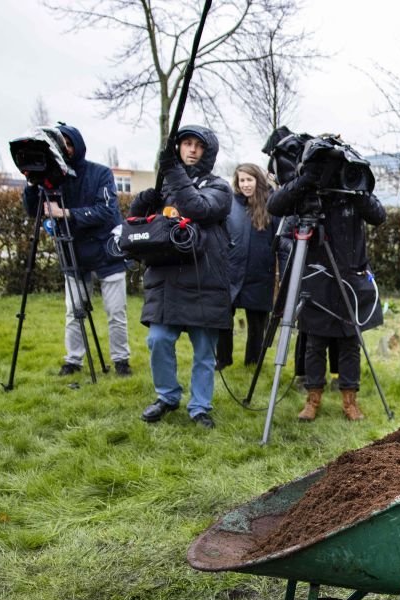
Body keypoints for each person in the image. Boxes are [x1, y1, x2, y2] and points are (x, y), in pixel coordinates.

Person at [267, 141, 386, 421]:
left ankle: (350, 402)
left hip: (349, 277)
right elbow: (276, 205)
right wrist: (306, 178)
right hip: (316, 276)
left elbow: (378, 215)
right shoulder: (309, 190)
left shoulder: (352, 189)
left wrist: (357, 189)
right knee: (315, 343)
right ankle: (312, 400)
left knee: (349, 344)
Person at [132, 125, 233, 429]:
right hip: (168, 281)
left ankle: (200, 406)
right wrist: (144, 201)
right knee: (158, 338)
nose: (190, 150)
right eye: (185, 144)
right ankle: (167, 396)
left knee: (204, 351)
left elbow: (197, 207)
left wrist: (173, 174)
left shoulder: (220, 187)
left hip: (206, 281)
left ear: (207, 151)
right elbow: (139, 226)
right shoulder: (167, 186)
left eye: (198, 146)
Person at [22, 123, 132, 376]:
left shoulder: (100, 173)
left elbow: (106, 211)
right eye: (63, 145)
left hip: (107, 251)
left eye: (70, 144)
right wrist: (31, 183)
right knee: (74, 312)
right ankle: (73, 360)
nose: (67, 149)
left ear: (78, 145)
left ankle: (121, 361)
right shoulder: (51, 177)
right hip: (73, 252)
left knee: (116, 312)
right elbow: (32, 211)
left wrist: (67, 213)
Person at [215, 163, 287, 369]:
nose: (246, 184)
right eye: (242, 180)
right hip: (231, 271)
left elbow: (281, 244)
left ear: (258, 180)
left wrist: (283, 274)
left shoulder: (272, 205)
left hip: (260, 274)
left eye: (249, 179)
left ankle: (253, 362)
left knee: (257, 323)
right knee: (224, 319)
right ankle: (223, 359)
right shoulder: (229, 205)